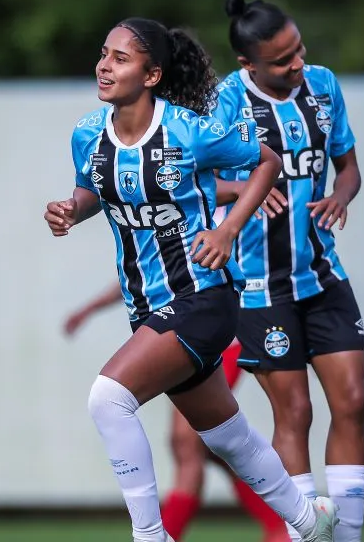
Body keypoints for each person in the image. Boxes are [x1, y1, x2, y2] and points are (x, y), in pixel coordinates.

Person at [43, 17, 337, 542]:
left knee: (108, 398)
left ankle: (150, 536)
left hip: (201, 298)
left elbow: (267, 164)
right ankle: (308, 520)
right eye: (103, 54)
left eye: (120, 58)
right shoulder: (88, 132)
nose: (104, 65)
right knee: (226, 435)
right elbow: (92, 190)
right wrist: (71, 209)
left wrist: (227, 229)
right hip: (147, 308)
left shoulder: (188, 129)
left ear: (152, 74)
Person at [212, 0, 364, 542]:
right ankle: (308, 536)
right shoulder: (225, 102)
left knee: (352, 400)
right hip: (259, 285)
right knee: (295, 413)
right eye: (282, 60)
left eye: (298, 50)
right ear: (247, 64)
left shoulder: (323, 86)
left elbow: (348, 166)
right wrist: (246, 189)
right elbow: (188, 179)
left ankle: (346, 537)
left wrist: (341, 196)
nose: (297, 64)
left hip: (323, 274)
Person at [63, 215, 289, 542]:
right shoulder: (177, 201)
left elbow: (255, 189)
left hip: (222, 328)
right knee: (208, 442)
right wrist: (90, 308)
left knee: (187, 441)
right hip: (188, 324)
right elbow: (147, 274)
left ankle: (168, 534)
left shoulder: (214, 193)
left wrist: (255, 185)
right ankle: (286, 521)